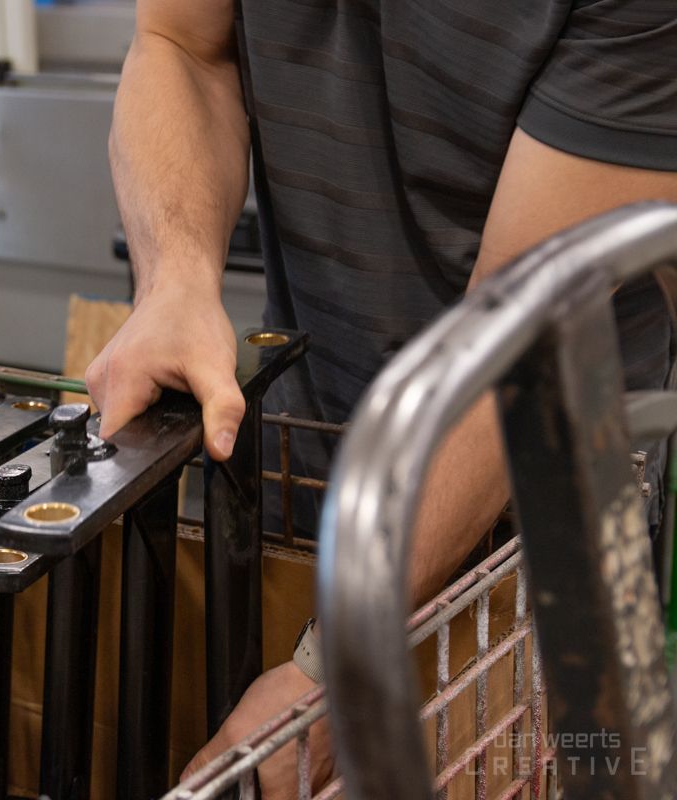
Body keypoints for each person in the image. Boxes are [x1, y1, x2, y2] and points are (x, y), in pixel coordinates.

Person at [85, 0, 677, 795]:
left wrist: (336, 667)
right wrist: (176, 280)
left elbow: (522, 348)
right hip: (313, 469)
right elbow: (181, 45)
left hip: (545, 547)